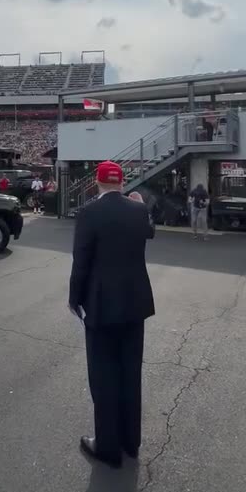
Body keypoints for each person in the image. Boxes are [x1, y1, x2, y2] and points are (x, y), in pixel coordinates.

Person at [69, 160, 155, 468]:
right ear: (122, 182)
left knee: (104, 375)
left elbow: (81, 262)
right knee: (130, 374)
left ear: (98, 182)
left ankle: (107, 447)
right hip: (136, 303)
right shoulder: (138, 210)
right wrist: (142, 205)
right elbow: (149, 233)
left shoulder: (90, 212)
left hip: (101, 304)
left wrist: (74, 299)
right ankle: (131, 441)